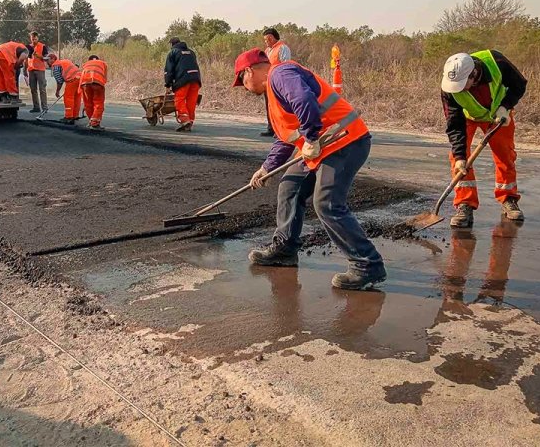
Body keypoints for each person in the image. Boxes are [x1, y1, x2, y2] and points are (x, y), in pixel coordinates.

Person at [233, 48, 385, 291]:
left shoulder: (280, 74)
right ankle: (285, 249)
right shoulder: (273, 95)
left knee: (327, 203)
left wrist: (311, 138)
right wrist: (266, 168)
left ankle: (367, 264)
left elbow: (304, 101)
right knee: (290, 187)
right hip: (321, 147)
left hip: (345, 140)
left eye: (242, 81)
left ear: (248, 71)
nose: (244, 87)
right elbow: (286, 138)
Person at [440, 50, 527, 228]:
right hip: (467, 118)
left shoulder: (497, 62)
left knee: (505, 155)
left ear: (474, 74)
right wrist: (459, 157)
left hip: (498, 114)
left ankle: (508, 198)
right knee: (459, 159)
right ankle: (465, 204)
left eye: (463, 84)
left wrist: (505, 107)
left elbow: (519, 85)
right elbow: (454, 123)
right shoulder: (449, 88)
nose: (459, 89)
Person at [164, 37, 201, 132]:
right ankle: (190, 120)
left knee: (179, 99)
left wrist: (168, 85)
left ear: (172, 44)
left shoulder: (173, 53)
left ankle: (185, 120)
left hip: (183, 79)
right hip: (196, 79)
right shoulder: (191, 52)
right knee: (191, 101)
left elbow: (169, 71)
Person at [260, 28, 291, 137]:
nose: (266, 42)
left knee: (279, 107)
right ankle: (271, 128)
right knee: (269, 106)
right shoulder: (267, 50)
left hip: (278, 82)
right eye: (265, 40)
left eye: (268, 39)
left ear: (273, 37)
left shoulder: (283, 48)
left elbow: (286, 65)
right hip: (268, 82)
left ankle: (280, 130)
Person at [48, 53, 81, 124]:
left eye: (48, 60)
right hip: (80, 79)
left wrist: (57, 91)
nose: (47, 62)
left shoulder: (56, 66)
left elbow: (59, 81)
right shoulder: (65, 61)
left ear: (53, 59)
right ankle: (75, 115)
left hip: (72, 80)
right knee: (76, 97)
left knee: (68, 98)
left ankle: (69, 117)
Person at [80, 55, 108, 130]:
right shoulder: (103, 63)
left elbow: (81, 76)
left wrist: (80, 89)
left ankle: (91, 121)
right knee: (98, 103)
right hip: (97, 83)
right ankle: (94, 123)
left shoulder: (86, 64)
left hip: (85, 84)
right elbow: (104, 77)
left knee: (88, 103)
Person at [26, 31, 49, 113]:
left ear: (37, 38)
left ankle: (45, 107)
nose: (34, 41)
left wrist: (40, 56)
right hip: (31, 70)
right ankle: (36, 107)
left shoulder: (43, 46)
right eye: (32, 39)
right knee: (33, 89)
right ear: (30, 38)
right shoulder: (28, 47)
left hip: (40, 70)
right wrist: (25, 70)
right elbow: (26, 58)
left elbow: (47, 58)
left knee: (42, 89)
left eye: (35, 39)